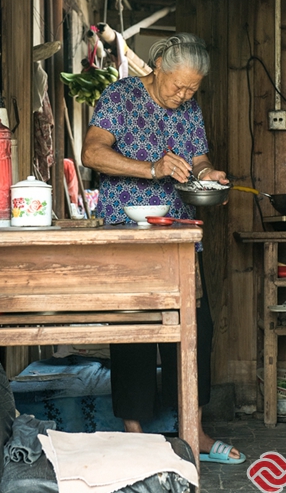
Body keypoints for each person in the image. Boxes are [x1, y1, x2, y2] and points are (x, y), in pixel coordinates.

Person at [82, 33, 245, 464]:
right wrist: (151, 169)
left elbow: (199, 159)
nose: (184, 95)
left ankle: (195, 430)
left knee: (196, 329)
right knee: (133, 331)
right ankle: (135, 432)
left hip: (179, 236)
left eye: (193, 88)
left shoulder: (189, 109)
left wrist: (209, 174)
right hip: (128, 236)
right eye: (178, 86)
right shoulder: (120, 97)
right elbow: (92, 153)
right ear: (157, 68)